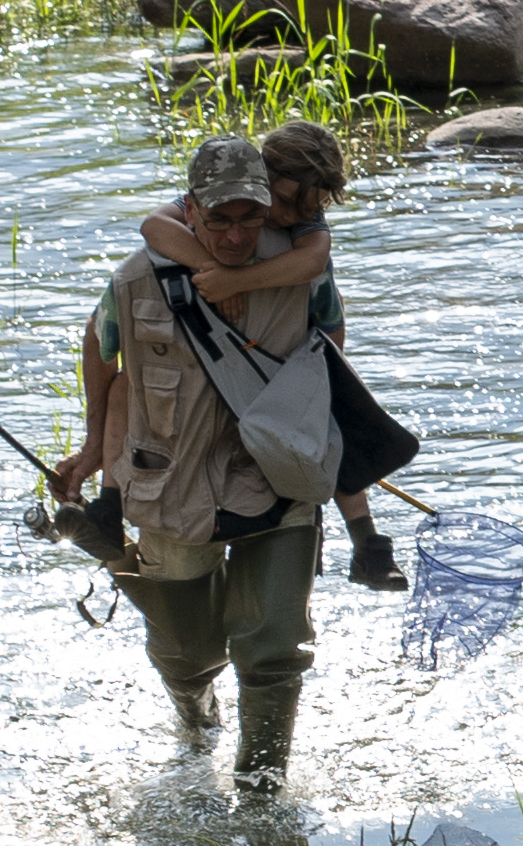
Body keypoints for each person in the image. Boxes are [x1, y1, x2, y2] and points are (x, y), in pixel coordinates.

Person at [54, 135, 337, 788]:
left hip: (277, 477)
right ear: (191, 211)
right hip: (173, 484)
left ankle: (262, 791)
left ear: (267, 209)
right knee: (187, 652)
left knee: (273, 648)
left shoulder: (301, 270)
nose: (236, 236)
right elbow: (102, 347)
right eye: (219, 221)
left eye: (250, 218)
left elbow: (332, 348)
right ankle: (195, 713)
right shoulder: (135, 277)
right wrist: (96, 445)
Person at [59, 121, 408, 593]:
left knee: (327, 411)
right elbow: (149, 234)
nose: (286, 219)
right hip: (178, 470)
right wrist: (210, 265)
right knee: (128, 386)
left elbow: (316, 276)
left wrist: (237, 281)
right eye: (280, 205)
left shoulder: (305, 241)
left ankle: (365, 539)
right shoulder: (161, 253)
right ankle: (110, 508)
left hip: (274, 441)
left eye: (306, 208)